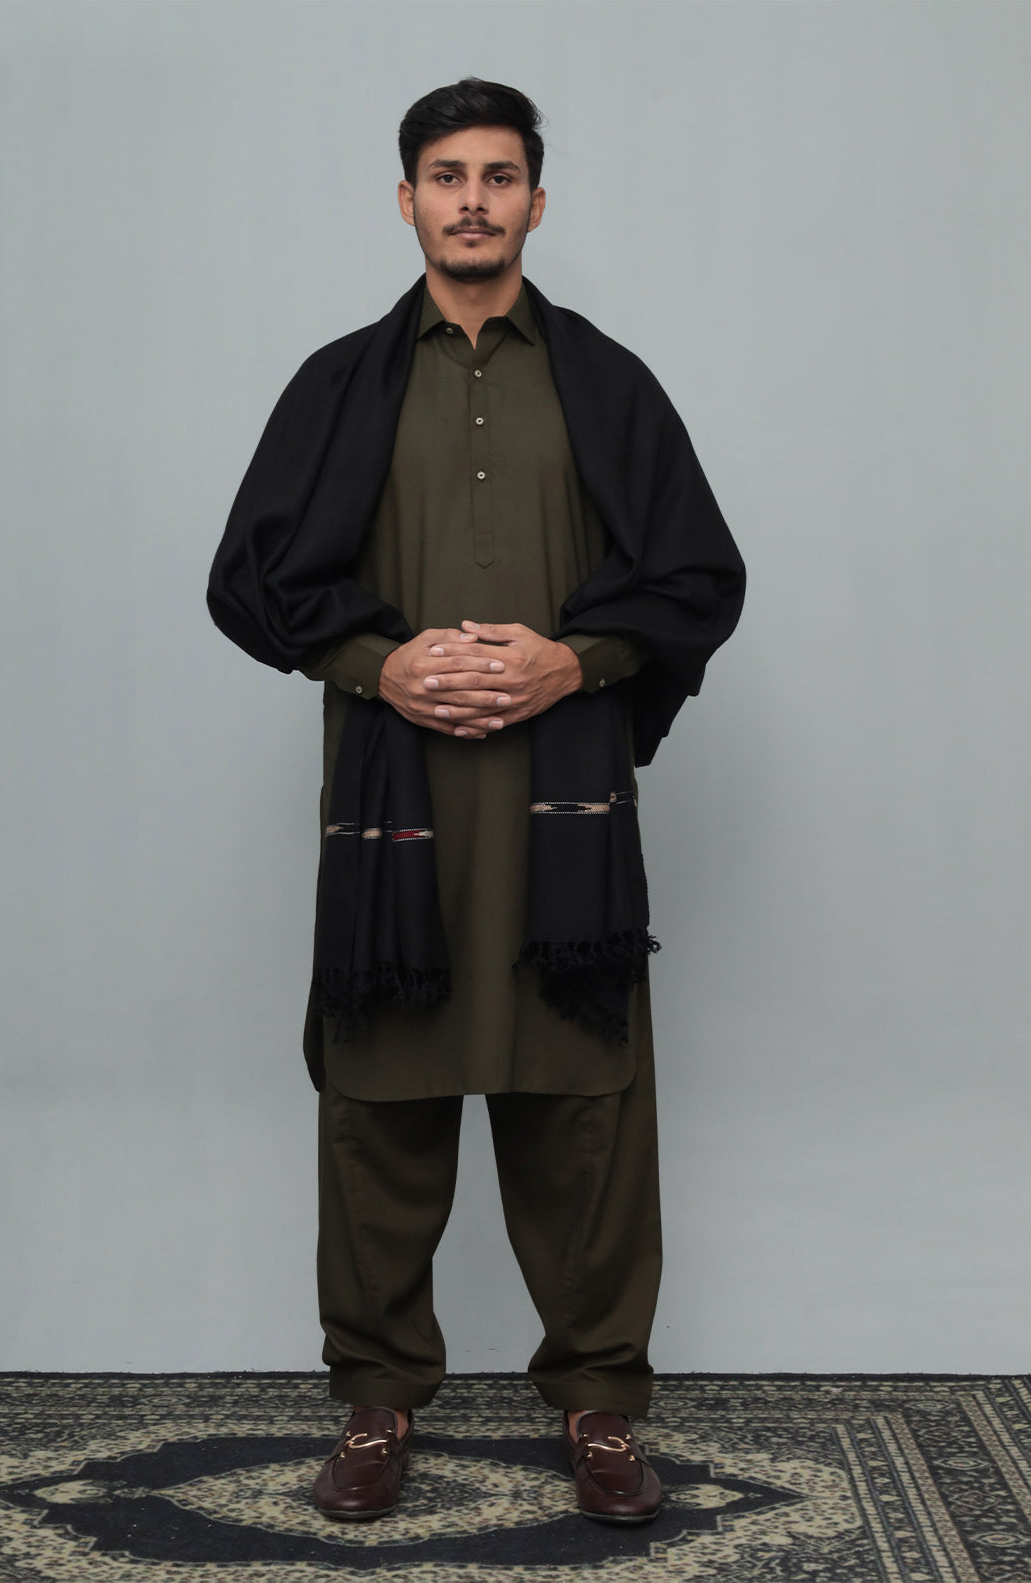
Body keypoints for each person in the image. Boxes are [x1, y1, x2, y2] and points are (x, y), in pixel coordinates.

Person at [207, 77, 745, 1526]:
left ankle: (600, 1405)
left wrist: (578, 660)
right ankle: (377, 1400)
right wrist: (379, 667)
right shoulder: (337, 385)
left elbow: (696, 574)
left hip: (563, 809)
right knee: (379, 1094)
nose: (471, 200)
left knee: (585, 1099)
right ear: (406, 200)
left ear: (535, 203)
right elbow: (252, 580)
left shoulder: (608, 383)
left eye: (498, 177)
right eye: (445, 176)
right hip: (399, 811)